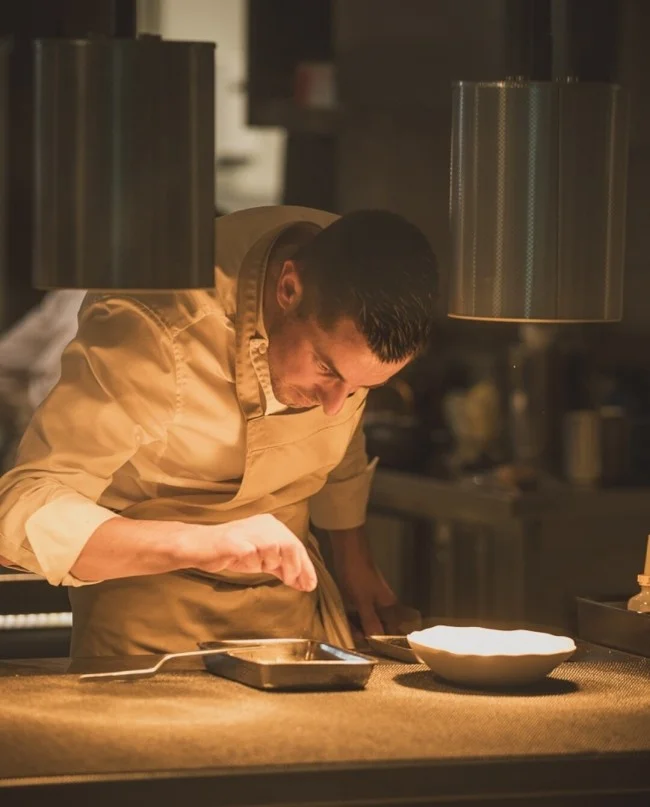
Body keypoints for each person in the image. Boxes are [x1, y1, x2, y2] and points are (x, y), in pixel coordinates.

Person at [0, 205, 437, 657]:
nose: (334, 407)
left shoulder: (361, 276)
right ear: (289, 288)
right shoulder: (152, 321)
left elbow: (340, 437)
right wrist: (200, 543)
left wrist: (354, 559)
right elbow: (23, 506)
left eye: (361, 388)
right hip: (149, 618)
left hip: (290, 613)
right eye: (326, 368)